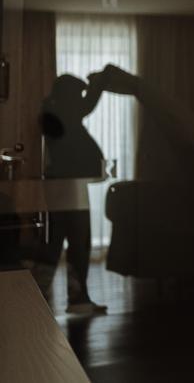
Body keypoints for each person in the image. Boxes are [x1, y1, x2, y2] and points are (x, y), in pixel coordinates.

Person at [35, 73, 110, 315]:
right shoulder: (61, 114)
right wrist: (99, 84)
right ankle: (72, 298)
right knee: (75, 243)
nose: (80, 99)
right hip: (68, 186)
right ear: (67, 96)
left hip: (66, 185)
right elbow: (86, 106)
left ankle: (45, 295)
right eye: (76, 94)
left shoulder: (55, 113)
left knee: (58, 242)